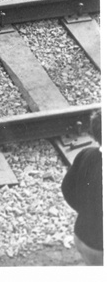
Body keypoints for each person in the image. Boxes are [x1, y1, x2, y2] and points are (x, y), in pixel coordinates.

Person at [61, 110, 103, 266]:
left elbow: (67, 189)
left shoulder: (86, 154)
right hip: (100, 247)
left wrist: (88, 211)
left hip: (81, 235)